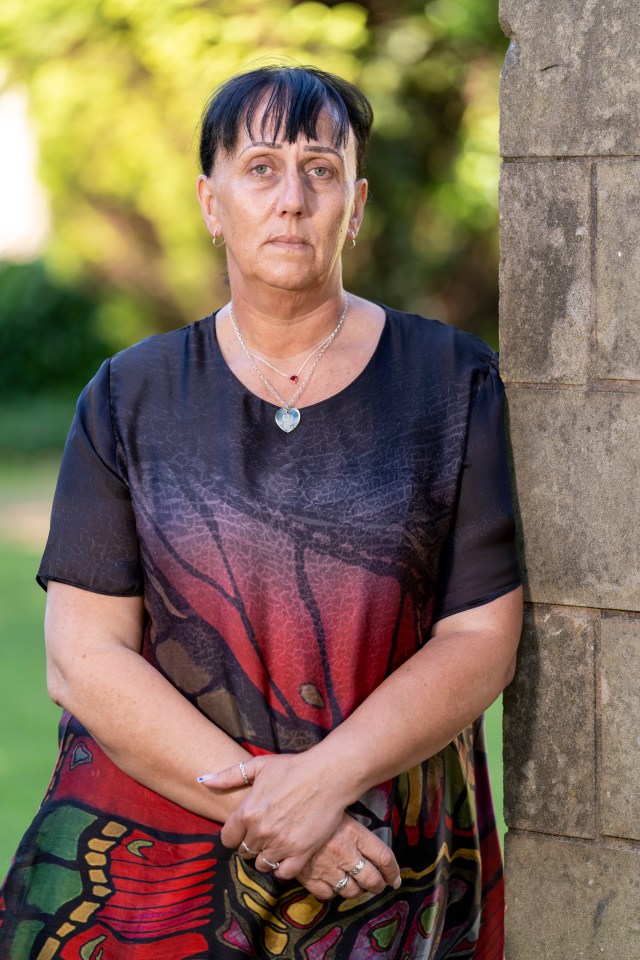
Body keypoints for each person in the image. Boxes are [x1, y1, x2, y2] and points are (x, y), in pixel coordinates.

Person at [0, 64, 522, 959]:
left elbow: (480, 637)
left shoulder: (451, 380)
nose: (291, 199)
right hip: (149, 881)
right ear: (211, 202)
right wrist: (281, 814)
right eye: (261, 168)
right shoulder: (128, 396)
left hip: (382, 877)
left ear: (354, 205)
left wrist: (328, 783)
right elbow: (83, 659)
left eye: (320, 170)